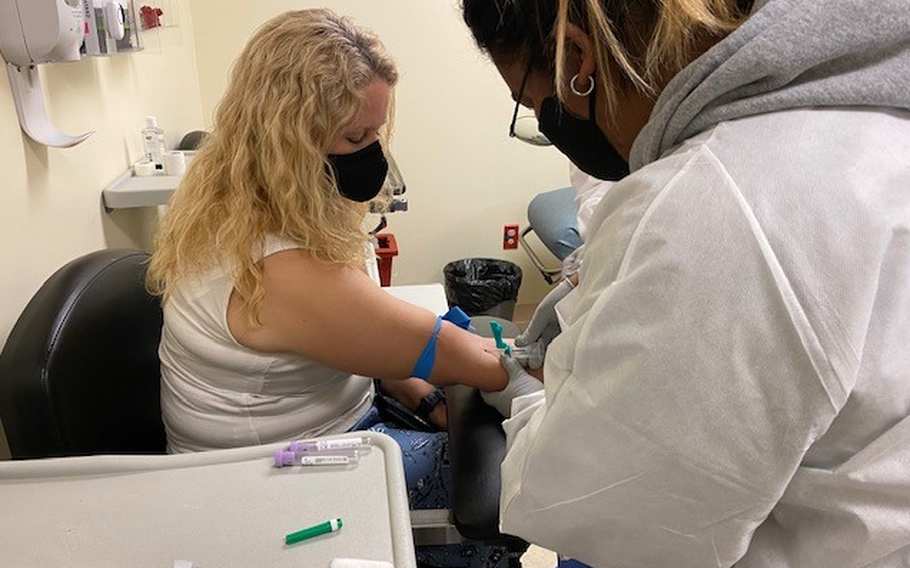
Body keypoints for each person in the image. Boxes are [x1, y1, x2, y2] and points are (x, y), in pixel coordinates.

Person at [462, 0, 910, 567]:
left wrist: (530, 401)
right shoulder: (870, 109)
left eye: (536, 106)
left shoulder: (716, 207)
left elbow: (601, 507)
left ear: (578, 55)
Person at [146, 9, 509, 567]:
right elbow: (473, 360)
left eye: (377, 133)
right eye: (356, 136)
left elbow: (361, 340)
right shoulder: (278, 268)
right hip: (263, 481)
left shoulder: (238, 199)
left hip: (312, 430)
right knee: (501, 479)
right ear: (293, 140)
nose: (373, 153)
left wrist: (427, 395)